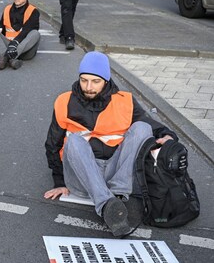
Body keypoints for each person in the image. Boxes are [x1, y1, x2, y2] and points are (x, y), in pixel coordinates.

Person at [44, 52, 177, 237]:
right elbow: (52, 144)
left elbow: (153, 125)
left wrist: (168, 136)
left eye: (95, 81)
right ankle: (107, 205)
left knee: (142, 128)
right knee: (74, 139)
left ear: (106, 80)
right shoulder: (64, 101)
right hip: (82, 176)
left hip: (115, 172)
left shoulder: (125, 101)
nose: (88, 87)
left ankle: (118, 195)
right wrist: (59, 181)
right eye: (84, 80)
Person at [0, 0, 40, 71]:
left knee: (35, 33)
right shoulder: (7, 9)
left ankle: (5, 58)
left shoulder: (33, 11)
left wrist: (14, 44)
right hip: (8, 46)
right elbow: (3, 29)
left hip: (25, 49)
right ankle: (12, 60)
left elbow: (27, 31)